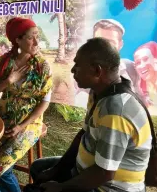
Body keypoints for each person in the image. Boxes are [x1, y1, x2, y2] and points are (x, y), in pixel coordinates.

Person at [27, 38, 152, 192]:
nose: (72, 70)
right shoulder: (98, 92)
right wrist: (56, 170)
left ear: (97, 71)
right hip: (89, 171)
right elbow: (83, 135)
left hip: (108, 187)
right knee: (39, 169)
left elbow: (104, 173)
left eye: (78, 65)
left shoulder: (115, 111)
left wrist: (61, 187)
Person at [0, 17, 53, 192]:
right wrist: (8, 80)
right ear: (18, 40)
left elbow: (45, 102)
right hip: (1, 120)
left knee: (0, 165)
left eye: (37, 35)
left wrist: (21, 126)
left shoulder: (42, 66)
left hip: (29, 124)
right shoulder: (4, 62)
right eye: (31, 37)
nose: (37, 41)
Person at [74, 19, 147, 107]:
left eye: (111, 43)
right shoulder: (80, 72)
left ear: (120, 45)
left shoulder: (131, 68)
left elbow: (141, 100)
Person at [134, 41, 157, 115]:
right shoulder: (138, 91)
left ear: (155, 60)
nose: (142, 66)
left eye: (145, 59)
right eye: (138, 62)